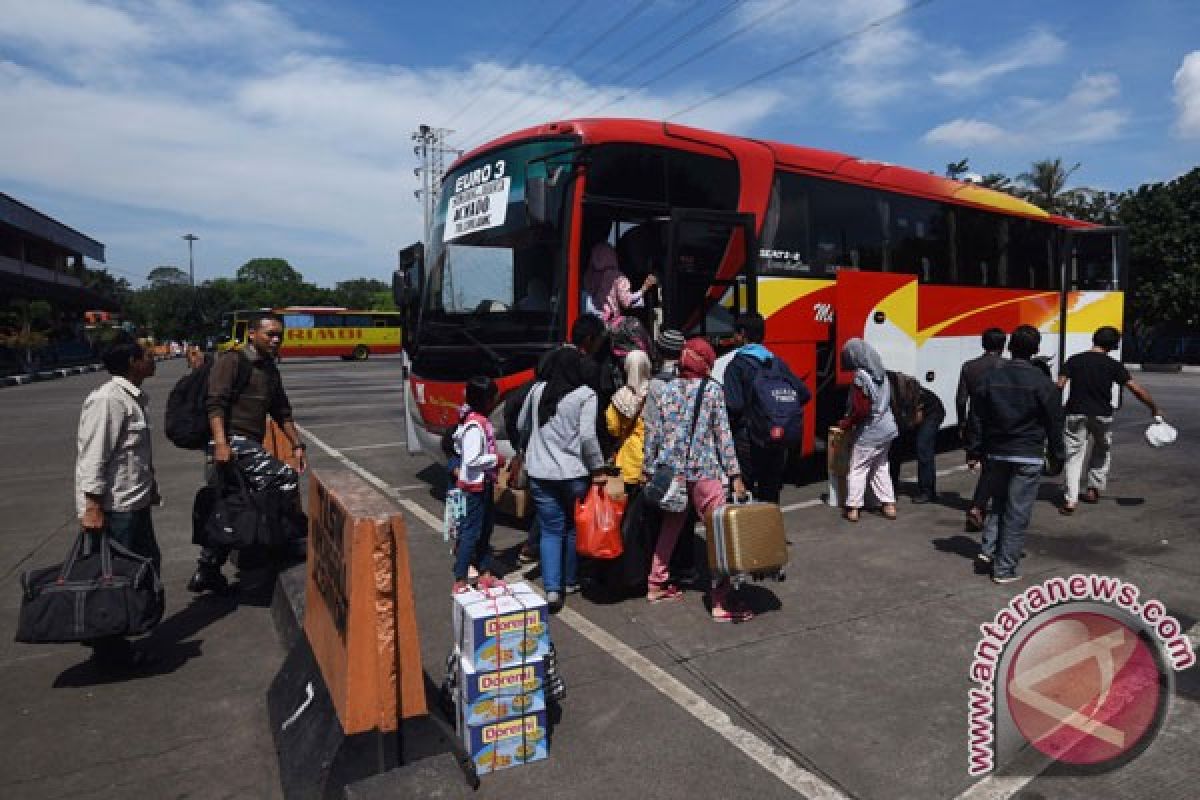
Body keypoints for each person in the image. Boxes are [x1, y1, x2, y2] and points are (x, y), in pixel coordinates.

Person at [188, 313, 307, 594]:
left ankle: (207, 570)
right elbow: (214, 403)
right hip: (230, 442)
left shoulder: (269, 369)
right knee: (284, 478)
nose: (276, 339)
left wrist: (297, 445)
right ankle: (282, 542)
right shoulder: (232, 361)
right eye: (270, 334)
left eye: (280, 334)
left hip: (246, 444)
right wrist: (220, 444)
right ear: (252, 334)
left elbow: (282, 411)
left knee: (230, 505)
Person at [643, 338, 750, 622]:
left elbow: (652, 431)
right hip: (705, 471)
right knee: (718, 535)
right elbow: (723, 436)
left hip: (672, 473)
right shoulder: (712, 390)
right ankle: (720, 601)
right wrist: (735, 475)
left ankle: (656, 583)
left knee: (671, 525)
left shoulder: (666, 389)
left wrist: (649, 468)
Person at [75, 336, 160, 668]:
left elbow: (134, 455)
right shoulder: (108, 400)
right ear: (132, 363)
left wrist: (150, 486)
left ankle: (122, 634)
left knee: (144, 567)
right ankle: (109, 648)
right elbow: (93, 458)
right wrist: (92, 506)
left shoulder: (134, 397)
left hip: (134, 501)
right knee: (115, 578)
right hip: (114, 507)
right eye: (147, 355)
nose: (153, 359)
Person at [517, 315, 608, 611]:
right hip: (574, 474)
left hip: (540, 472)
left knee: (550, 529)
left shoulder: (537, 391)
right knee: (571, 528)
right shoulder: (585, 395)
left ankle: (553, 590)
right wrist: (598, 469)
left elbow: (521, 425)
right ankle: (570, 579)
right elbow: (587, 438)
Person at [965, 325, 1065, 584]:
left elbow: (975, 416)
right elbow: (1055, 421)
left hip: (996, 452)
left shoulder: (991, 378)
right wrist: (1057, 455)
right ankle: (1004, 568)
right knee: (1017, 512)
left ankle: (989, 551)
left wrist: (974, 449)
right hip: (1027, 453)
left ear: (1010, 347)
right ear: (1037, 350)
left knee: (998, 504)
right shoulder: (1042, 382)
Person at [1057, 326, 1163, 514]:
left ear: (1094, 339)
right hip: (1102, 414)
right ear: (1113, 345)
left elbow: (1059, 386)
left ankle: (1070, 501)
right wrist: (1154, 408)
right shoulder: (1113, 365)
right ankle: (1092, 489)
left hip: (1075, 413)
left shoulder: (1074, 360)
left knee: (1074, 457)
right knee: (1102, 450)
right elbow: (1136, 389)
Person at [722, 312, 809, 504]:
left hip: (748, 441)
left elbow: (734, 406)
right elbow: (804, 393)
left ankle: (749, 534)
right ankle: (770, 532)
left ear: (742, 334)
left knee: (745, 494)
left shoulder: (737, 366)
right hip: (776, 436)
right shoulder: (776, 362)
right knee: (770, 492)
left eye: (735, 334)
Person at [451, 377, 504, 593]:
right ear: (486, 400)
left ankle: (485, 573)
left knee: (485, 530)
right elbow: (471, 459)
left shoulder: (476, 420)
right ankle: (460, 578)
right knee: (471, 533)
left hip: (484, 484)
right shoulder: (474, 425)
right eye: (494, 398)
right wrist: (495, 459)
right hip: (474, 487)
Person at [837, 339, 898, 522]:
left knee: (858, 468)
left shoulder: (861, 378)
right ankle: (889, 505)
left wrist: (847, 423)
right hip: (887, 428)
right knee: (881, 466)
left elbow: (861, 409)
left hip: (870, 431)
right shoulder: (883, 375)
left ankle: (853, 508)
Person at [957, 328, 1007, 530]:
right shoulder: (1006, 366)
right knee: (995, 467)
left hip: (976, 421)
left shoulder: (969, 367)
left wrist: (962, 424)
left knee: (988, 465)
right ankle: (980, 506)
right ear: (1003, 345)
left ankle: (980, 505)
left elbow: (961, 399)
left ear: (983, 344)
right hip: (1001, 422)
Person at [888, 383, 946, 504]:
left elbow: (917, 417)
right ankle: (891, 487)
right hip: (910, 414)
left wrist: (903, 426)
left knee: (923, 447)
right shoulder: (885, 393)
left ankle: (928, 492)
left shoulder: (907, 392)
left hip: (931, 412)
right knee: (895, 447)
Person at [584, 241, 657, 326]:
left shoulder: (589, 275)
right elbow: (627, 302)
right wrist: (644, 288)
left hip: (593, 322)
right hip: (611, 324)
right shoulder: (617, 277)